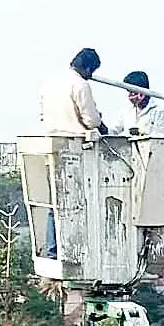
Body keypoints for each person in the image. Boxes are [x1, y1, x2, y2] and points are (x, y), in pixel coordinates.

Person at [40, 48, 109, 260]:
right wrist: (103, 127)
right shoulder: (80, 84)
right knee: (81, 203)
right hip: (76, 149)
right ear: (87, 68)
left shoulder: (50, 82)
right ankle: (77, 251)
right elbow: (91, 120)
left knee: (56, 204)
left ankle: (53, 251)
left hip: (51, 146)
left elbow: (42, 114)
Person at [111, 71, 164, 136]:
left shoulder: (159, 112)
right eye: (129, 91)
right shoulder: (125, 112)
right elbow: (113, 131)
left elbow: (160, 139)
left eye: (132, 91)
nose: (130, 95)